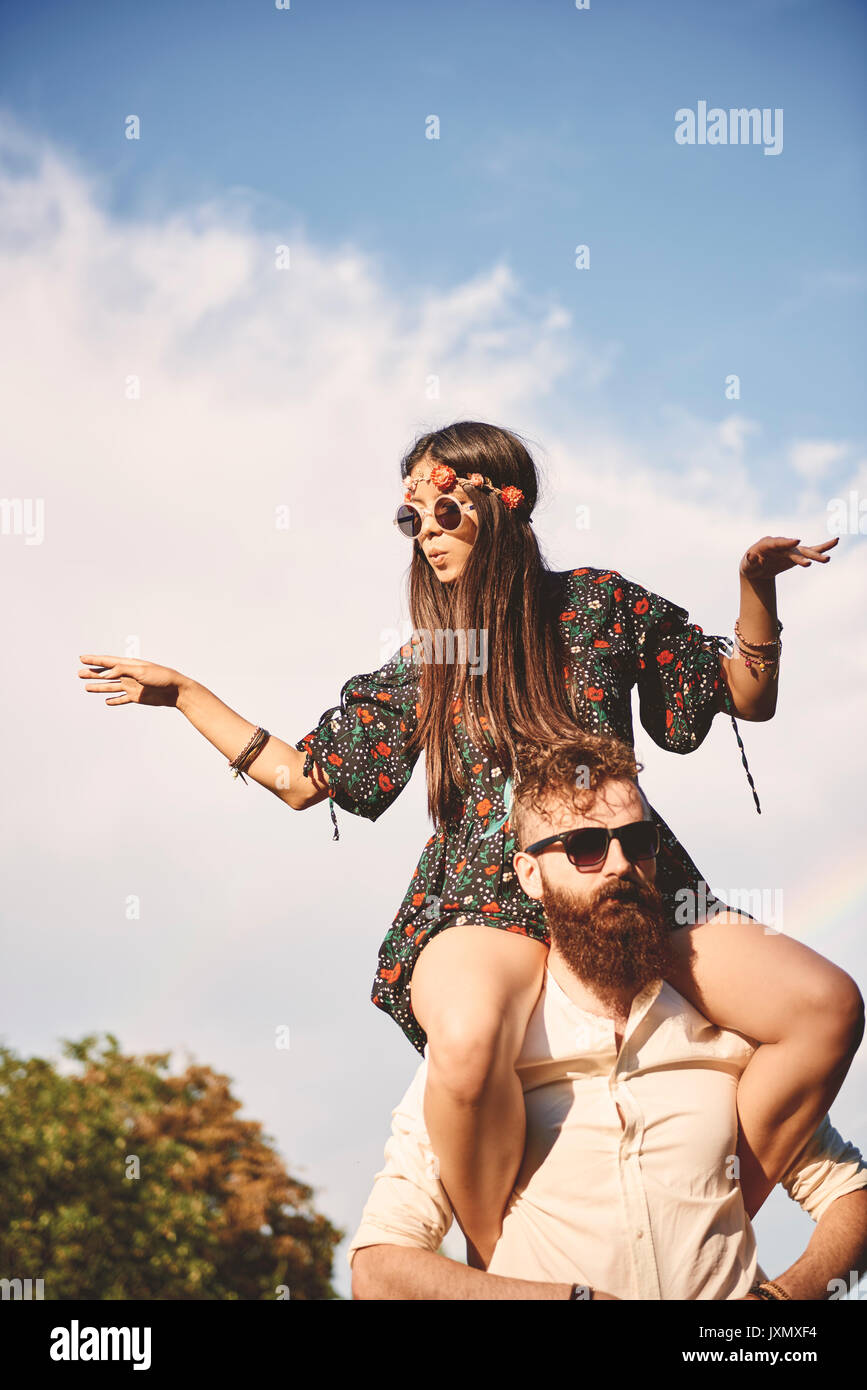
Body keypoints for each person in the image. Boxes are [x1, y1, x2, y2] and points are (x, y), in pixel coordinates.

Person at [77, 420, 862, 1271]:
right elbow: (302, 779)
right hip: (489, 904)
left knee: (824, 1004)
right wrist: (187, 694)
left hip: (626, 881)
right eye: (409, 522)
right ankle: (505, 1251)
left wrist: (754, 586)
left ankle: (721, 1211)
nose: (424, 536)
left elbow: (742, 696)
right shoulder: (435, 657)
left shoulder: (600, 604)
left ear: (497, 500)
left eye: (439, 510)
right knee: (464, 1035)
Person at [348, 735, 867, 1300]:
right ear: (528, 874)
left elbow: (850, 1195)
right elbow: (378, 1272)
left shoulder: (728, 1040)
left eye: (637, 842)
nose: (619, 864)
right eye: (586, 846)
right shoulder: (480, 1061)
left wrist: (782, 1300)